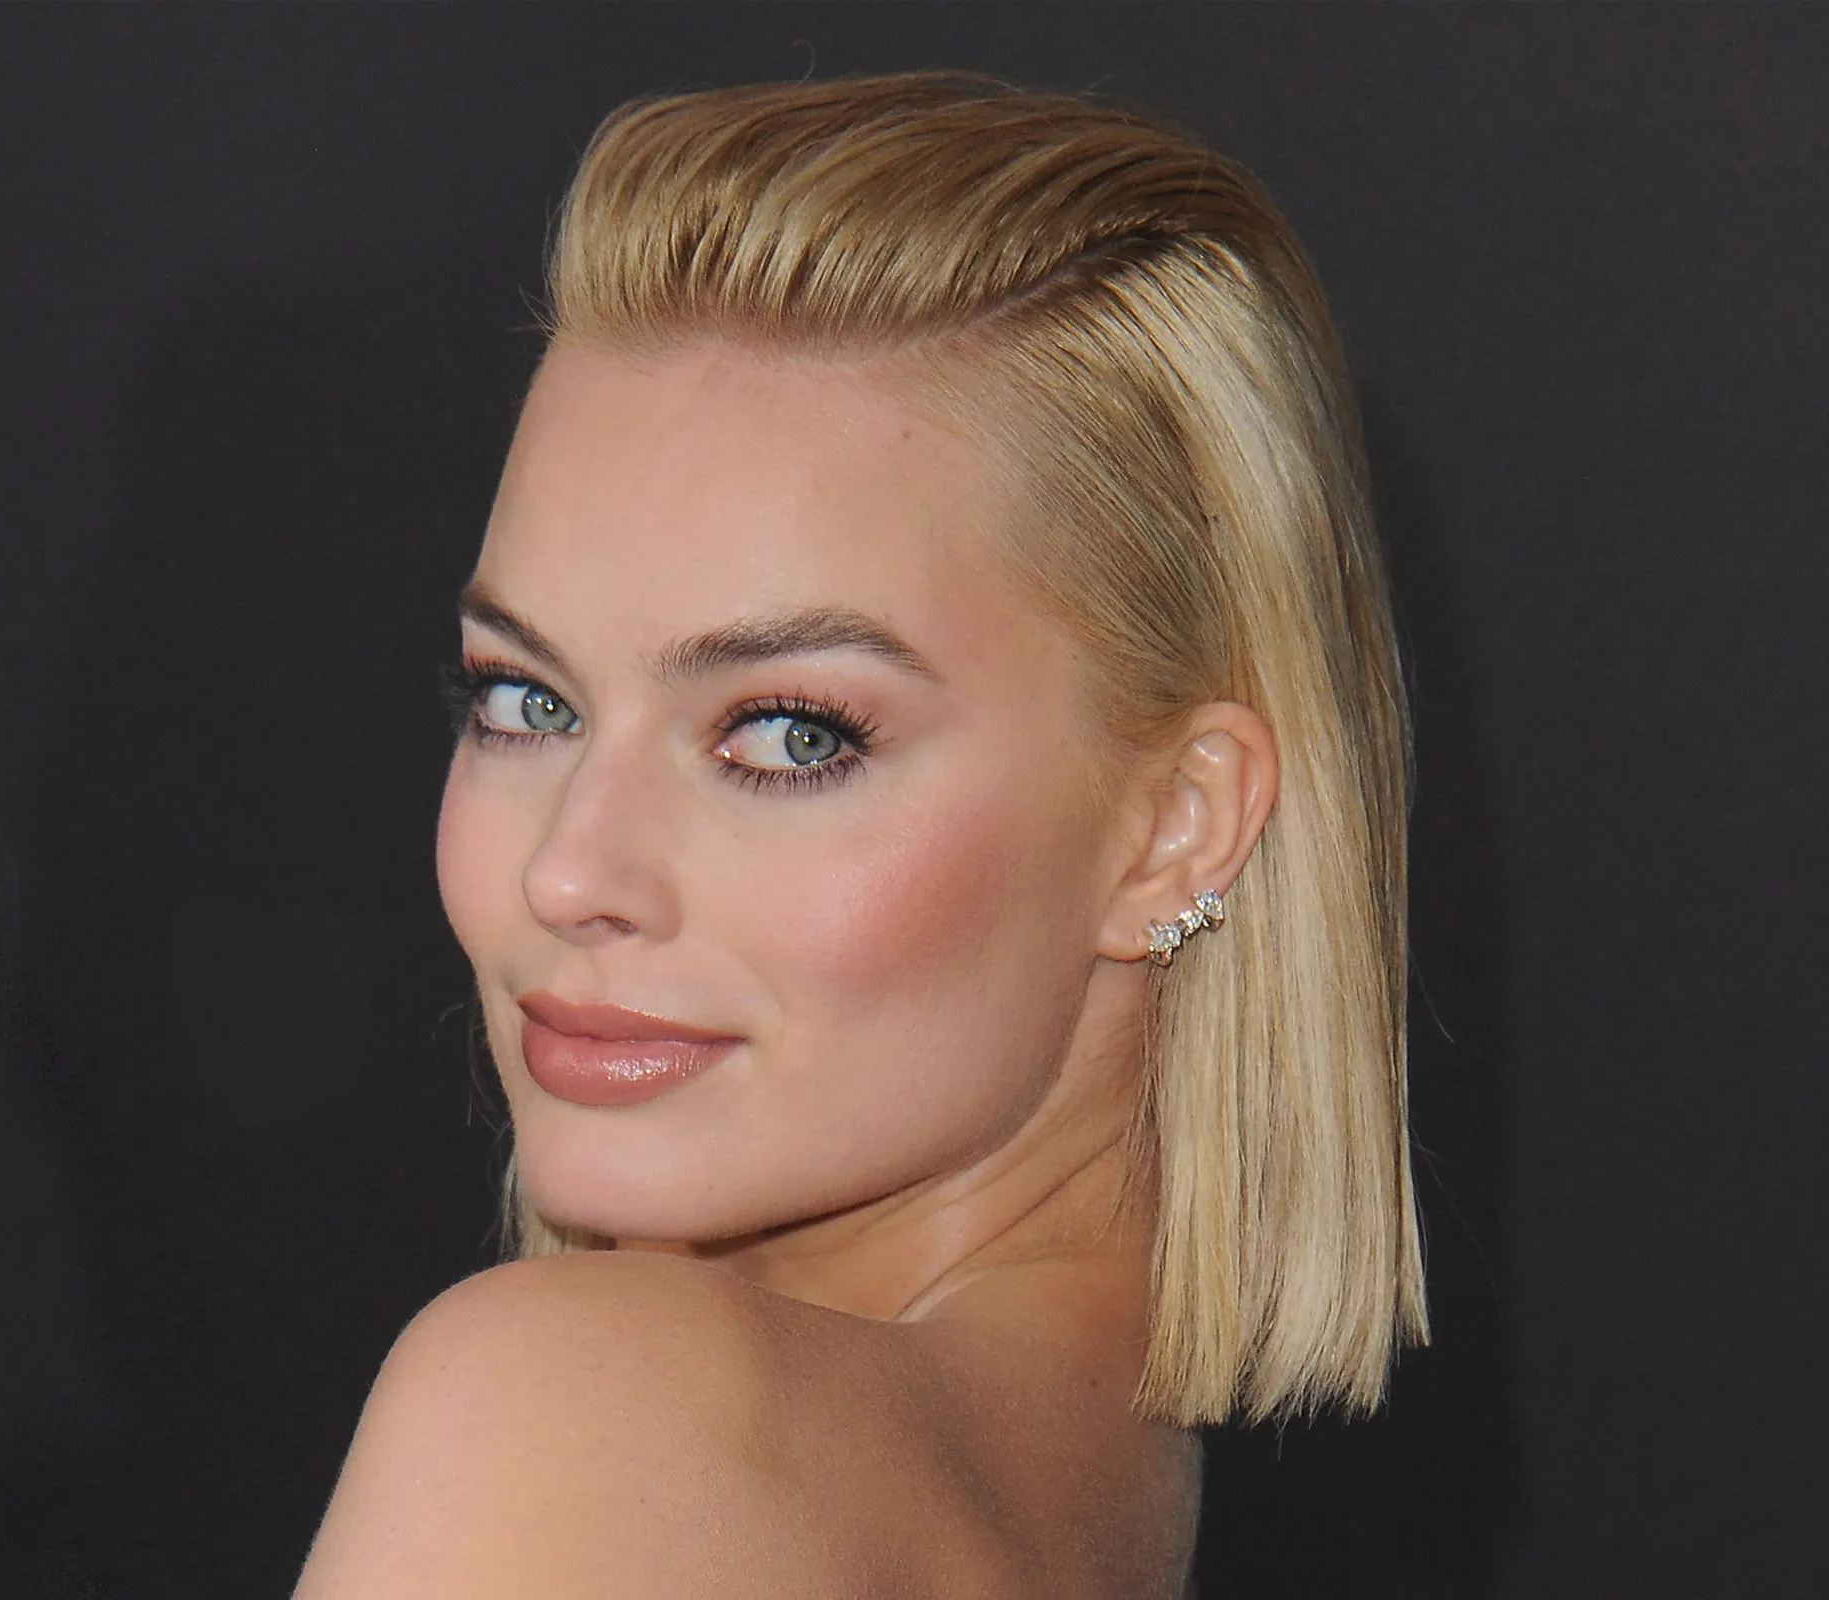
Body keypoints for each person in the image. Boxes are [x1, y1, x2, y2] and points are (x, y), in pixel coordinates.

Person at [295, 72, 1426, 1599]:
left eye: (789, 736)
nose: (568, 872)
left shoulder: (581, 1415)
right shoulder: (1094, 1504)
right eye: (525, 702)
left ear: (1176, 826)